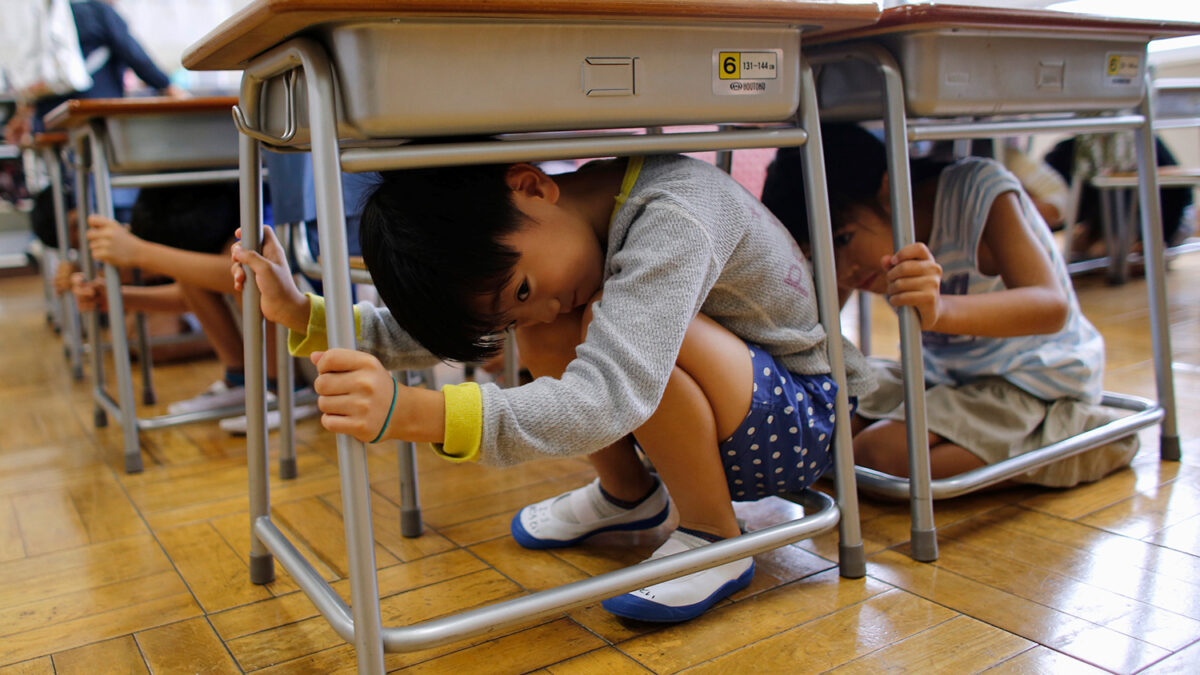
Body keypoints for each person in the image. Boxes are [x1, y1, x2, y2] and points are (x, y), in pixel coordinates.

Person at [232, 153, 876, 623]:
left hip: (805, 419)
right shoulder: (565, 226)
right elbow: (467, 326)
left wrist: (417, 413)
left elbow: (609, 394)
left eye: (517, 290)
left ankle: (715, 537)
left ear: (532, 187)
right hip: (722, 414)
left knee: (615, 327)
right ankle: (630, 495)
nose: (531, 310)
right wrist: (304, 315)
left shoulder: (675, 212)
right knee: (549, 325)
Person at [761, 123, 1138, 488]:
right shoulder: (859, 251)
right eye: (819, 255)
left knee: (878, 455)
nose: (842, 270)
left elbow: (1052, 307)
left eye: (842, 239)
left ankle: (1080, 437)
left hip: (1032, 379)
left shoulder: (978, 192)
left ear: (890, 188)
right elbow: (821, 322)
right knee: (823, 425)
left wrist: (940, 311)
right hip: (942, 377)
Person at [74, 183, 311, 421]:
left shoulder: (262, 217)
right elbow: (197, 287)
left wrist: (140, 252)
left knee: (250, 268)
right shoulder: (206, 211)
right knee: (193, 271)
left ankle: (284, 389)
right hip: (291, 337)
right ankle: (241, 381)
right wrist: (120, 296)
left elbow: (254, 278)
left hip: (309, 347)